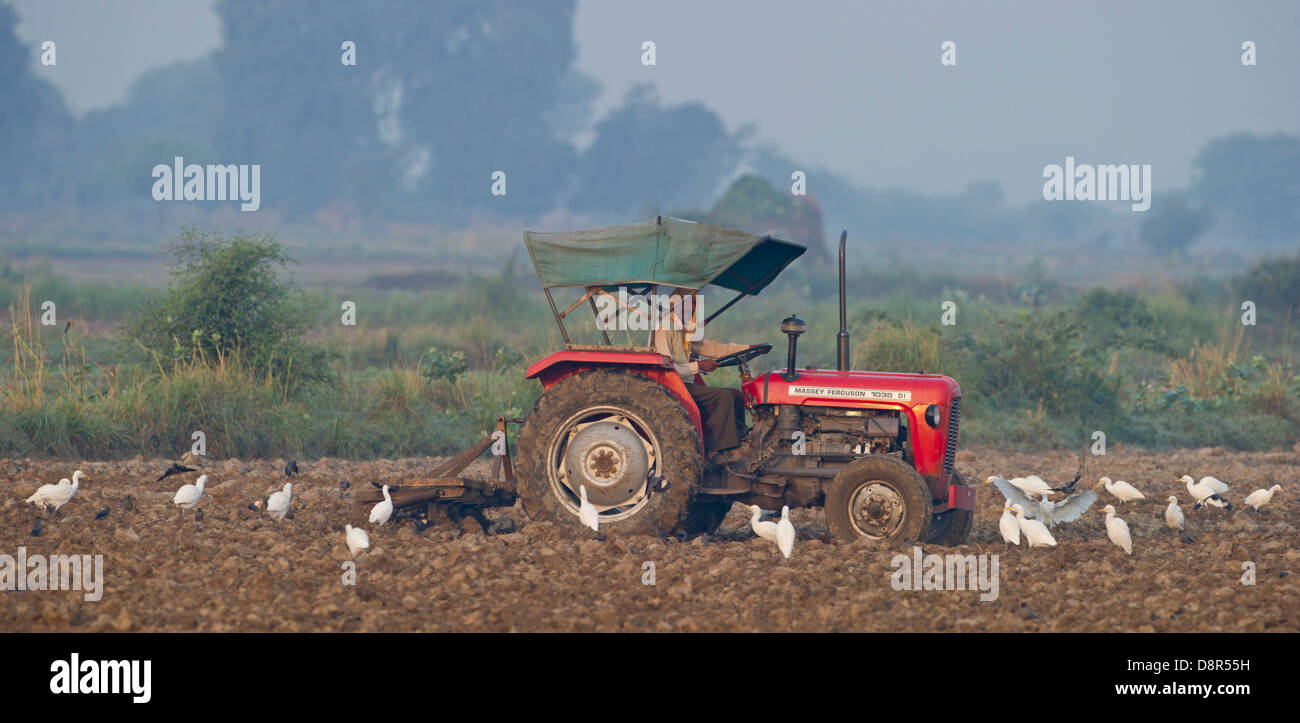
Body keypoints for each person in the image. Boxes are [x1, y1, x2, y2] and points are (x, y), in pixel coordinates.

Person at [651, 288, 752, 461]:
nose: (689, 311)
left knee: (736, 395)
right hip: (672, 386)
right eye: (686, 306)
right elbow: (666, 368)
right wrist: (698, 365)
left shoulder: (685, 331)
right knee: (724, 396)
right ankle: (717, 451)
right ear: (673, 305)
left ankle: (743, 440)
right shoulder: (664, 329)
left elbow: (713, 348)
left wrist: (749, 348)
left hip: (686, 383)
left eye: (693, 306)